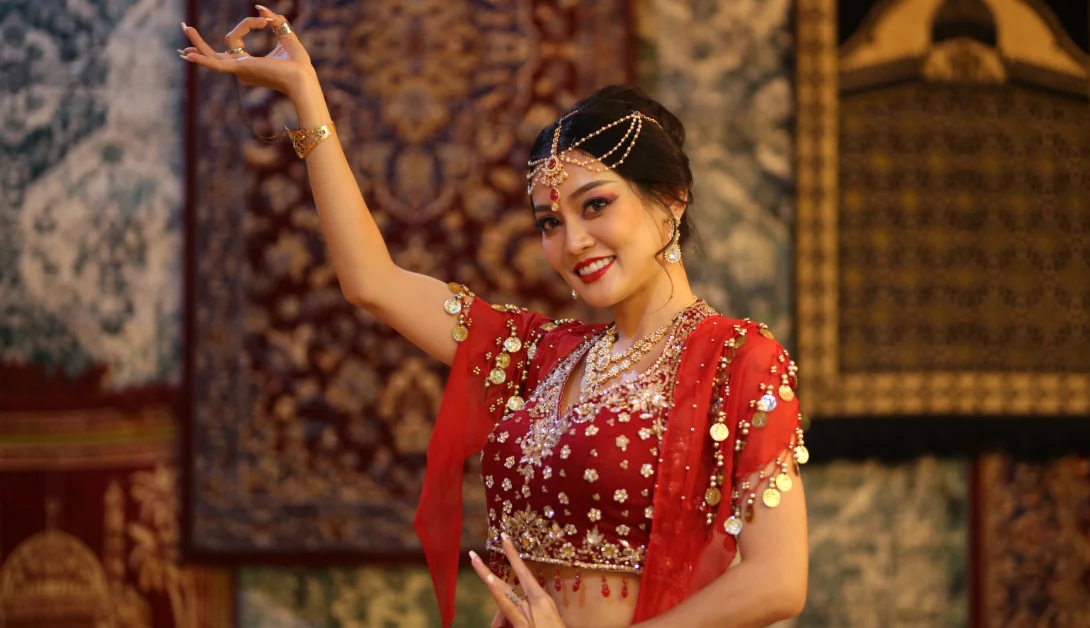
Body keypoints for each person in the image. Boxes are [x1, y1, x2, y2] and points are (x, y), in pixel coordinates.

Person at [180, 7, 809, 627]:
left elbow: (776, 581)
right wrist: (305, 95)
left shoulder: (738, 360)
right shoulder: (541, 354)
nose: (573, 242)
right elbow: (371, 283)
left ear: (670, 199)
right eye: (549, 223)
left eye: (596, 206)